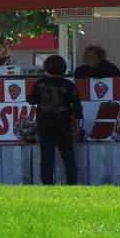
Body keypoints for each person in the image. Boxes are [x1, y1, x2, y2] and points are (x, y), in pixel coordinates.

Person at [27, 55, 83, 185]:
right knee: (68, 156)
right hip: (63, 123)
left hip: (44, 124)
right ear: (64, 68)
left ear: (46, 68)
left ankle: (47, 185)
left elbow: (31, 100)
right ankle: (72, 184)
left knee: (46, 157)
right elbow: (76, 105)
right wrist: (77, 121)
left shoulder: (40, 83)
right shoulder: (68, 84)